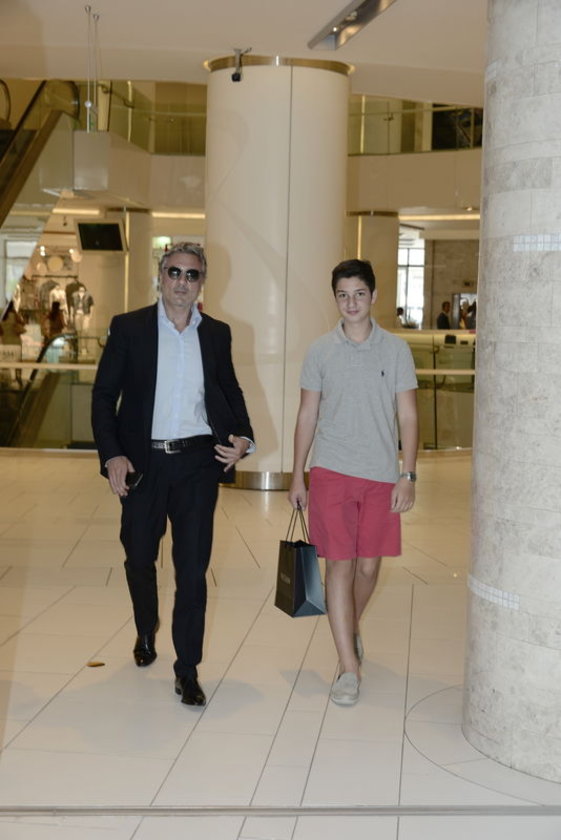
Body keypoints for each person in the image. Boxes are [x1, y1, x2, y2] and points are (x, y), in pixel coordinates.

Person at [91, 242, 254, 707]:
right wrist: (113, 455)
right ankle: (146, 625)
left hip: (197, 464)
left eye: (192, 274)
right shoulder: (130, 328)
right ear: (160, 277)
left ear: (202, 282)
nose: (183, 281)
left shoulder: (216, 333)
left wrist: (244, 436)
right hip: (143, 464)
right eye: (175, 272)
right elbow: (104, 396)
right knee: (139, 556)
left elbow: (230, 389)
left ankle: (188, 670)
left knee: (193, 569)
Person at [288, 258, 418, 707]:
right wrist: (298, 474)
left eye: (359, 294)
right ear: (335, 299)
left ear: (374, 296)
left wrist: (407, 474)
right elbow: (307, 414)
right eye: (343, 295)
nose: (351, 303)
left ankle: (349, 628)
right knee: (339, 567)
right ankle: (348, 667)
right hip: (331, 472)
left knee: (368, 569)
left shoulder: (396, 350)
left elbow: (408, 415)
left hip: (381, 475)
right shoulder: (320, 351)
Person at [0, 301, 26, 386]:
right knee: (18, 363)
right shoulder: (15, 315)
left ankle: (4, 381)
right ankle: (18, 378)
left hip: (4, 343)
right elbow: (23, 323)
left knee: (3, 363)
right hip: (16, 343)